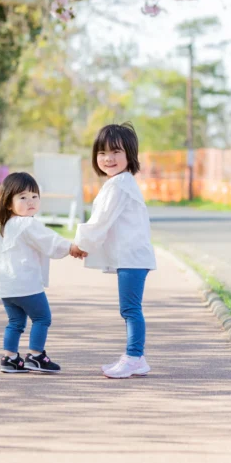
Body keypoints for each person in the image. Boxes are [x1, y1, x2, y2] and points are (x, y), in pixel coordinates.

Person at [74, 122, 156, 379]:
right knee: (129, 308)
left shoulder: (119, 185)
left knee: (131, 309)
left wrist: (80, 245)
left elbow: (100, 220)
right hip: (131, 256)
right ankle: (135, 357)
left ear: (129, 156)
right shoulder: (118, 183)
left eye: (116, 152)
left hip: (132, 257)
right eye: (102, 153)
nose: (108, 158)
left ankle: (134, 357)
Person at [0, 172, 86, 374]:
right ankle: (36, 356)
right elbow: (49, 240)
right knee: (42, 318)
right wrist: (70, 247)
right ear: (9, 204)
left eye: (34, 196)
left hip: (7, 287)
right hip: (26, 285)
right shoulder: (27, 224)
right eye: (23, 197)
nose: (30, 202)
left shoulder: (6, 227)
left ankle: (9, 358)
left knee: (15, 322)